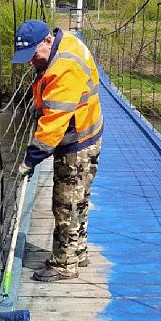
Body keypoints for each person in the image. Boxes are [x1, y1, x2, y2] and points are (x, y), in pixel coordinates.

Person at [13, 19, 104, 282]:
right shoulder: (65, 43)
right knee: (80, 199)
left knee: (65, 204)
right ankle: (78, 251)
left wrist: (30, 160)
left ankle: (64, 264)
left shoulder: (63, 67)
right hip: (88, 131)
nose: (30, 62)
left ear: (47, 41)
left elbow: (53, 124)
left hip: (77, 141)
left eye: (33, 54)